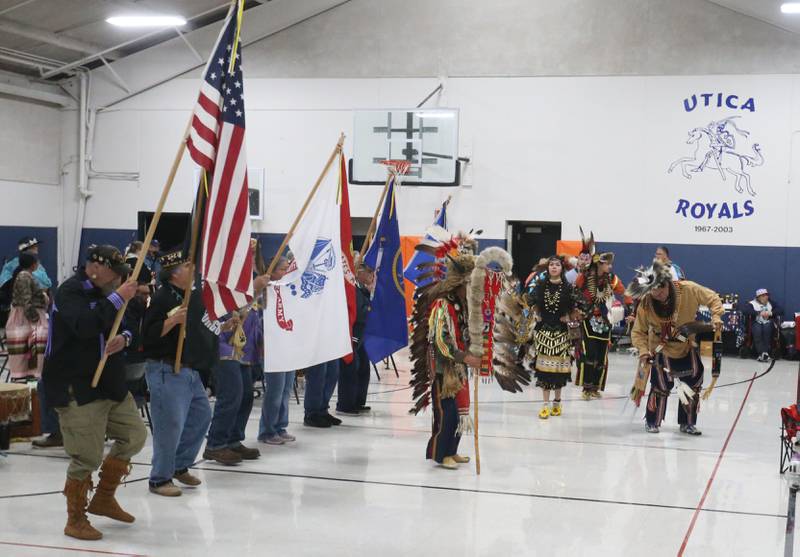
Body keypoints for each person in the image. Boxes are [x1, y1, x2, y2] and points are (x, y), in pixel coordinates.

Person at [42, 245, 147, 541]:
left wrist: (124, 339)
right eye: (115, 273)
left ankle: (104, 497)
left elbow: (130, 326)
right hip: (77, 386)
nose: (118, 280)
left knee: (135, 435)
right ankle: (75, 518)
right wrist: (118, 298)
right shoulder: (69, 292)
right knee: (86, 456)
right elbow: (85, 326)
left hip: (109, 382)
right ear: (95, 267)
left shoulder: (110, 292)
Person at [142, 250, 212, 496]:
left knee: (202, 416)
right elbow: (147, 336)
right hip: (166, 368)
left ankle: (180, 464)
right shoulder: (161, 298)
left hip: (189, 369)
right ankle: (159, 478)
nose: (192, 270)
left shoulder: (189, 296)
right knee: (169, 425)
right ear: (174, 273)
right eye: (186, 266)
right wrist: (172, 321)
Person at [628, 260, 723, 435]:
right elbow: (638, 331)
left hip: (686, 344)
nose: (657, 294)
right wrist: (642, 351)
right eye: (653, 290)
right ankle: (652, 421)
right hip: (660, 347)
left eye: (660, 290)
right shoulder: (647, 302)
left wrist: (716, 316)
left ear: (669, 284)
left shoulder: (688, 289)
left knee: (694, 381)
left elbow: (713, 298)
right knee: (660, 386)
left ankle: (687, 423)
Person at [574, 230, 630, 399]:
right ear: (599, 264)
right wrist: (576, 310)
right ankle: (586, 387)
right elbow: (575, 294)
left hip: (605, 321)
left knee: (601, 356)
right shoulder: (584, 277)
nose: (610, 267)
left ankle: (595, 387)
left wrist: (629, 306)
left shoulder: (611, 278)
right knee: (589, 354)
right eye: (607, 264)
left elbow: (624, 292)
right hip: (588, 319)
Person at [205, 305, 261, 460]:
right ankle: (216, 444)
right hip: (223, 342)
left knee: (246, 396)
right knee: (231, 394)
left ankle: (233, 440)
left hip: (244, 344)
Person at [526, 256, 577, 419]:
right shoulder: (540, 286)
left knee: (559, 370)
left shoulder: (568, 288)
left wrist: (570, 317)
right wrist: (535, 312)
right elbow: (527, 300)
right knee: (543, 370)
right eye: (551, 265)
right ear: (547, 268)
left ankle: (557, 402)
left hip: (561, 333)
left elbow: (583, 306)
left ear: (562, 268)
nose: (554, 267)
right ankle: (545, 405)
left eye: (557, 265)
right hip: (543, 332)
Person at [259, 256, 298, 443]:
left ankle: (280, 426)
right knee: (275, 391)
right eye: (283, 269)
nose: (286, 272)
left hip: (288, 345)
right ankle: (267, 430)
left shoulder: (288, 290)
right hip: (272, 347)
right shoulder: (264, 292)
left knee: (286, 390)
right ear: (272, 271)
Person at [336, 260, 374, 416]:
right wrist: (370, 307)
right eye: (369, 273)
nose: (372, 276)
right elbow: (359, 311)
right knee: (351, 367)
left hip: (362, 332)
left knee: (364, 367)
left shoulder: (361, 288)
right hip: (353, 331)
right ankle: (345, 404)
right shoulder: (352, 287)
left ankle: (358, 400)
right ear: (359, 272)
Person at [6, 253, 49, 379]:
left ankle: (31, 376)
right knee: (26, 349)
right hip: (27, 318)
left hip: (29, 316)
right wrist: (34, 319)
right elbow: (25, 300)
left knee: (35, 349)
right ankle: (24, 377)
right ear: (33, 264)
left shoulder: (26, 275)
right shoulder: (24, 276)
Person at [742, 288, 783, 362]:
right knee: (758, 330)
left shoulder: (771, 303)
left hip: (768, 322)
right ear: (758, 297)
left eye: (767, 295)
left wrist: (770, 313)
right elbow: (745, 311)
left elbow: (780, 310)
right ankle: (762, 353)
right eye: (763, 296)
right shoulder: (752, 303)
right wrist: (759, 313)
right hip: (756, 322)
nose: (766, 297)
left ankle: (764, 353)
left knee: (767, 329)